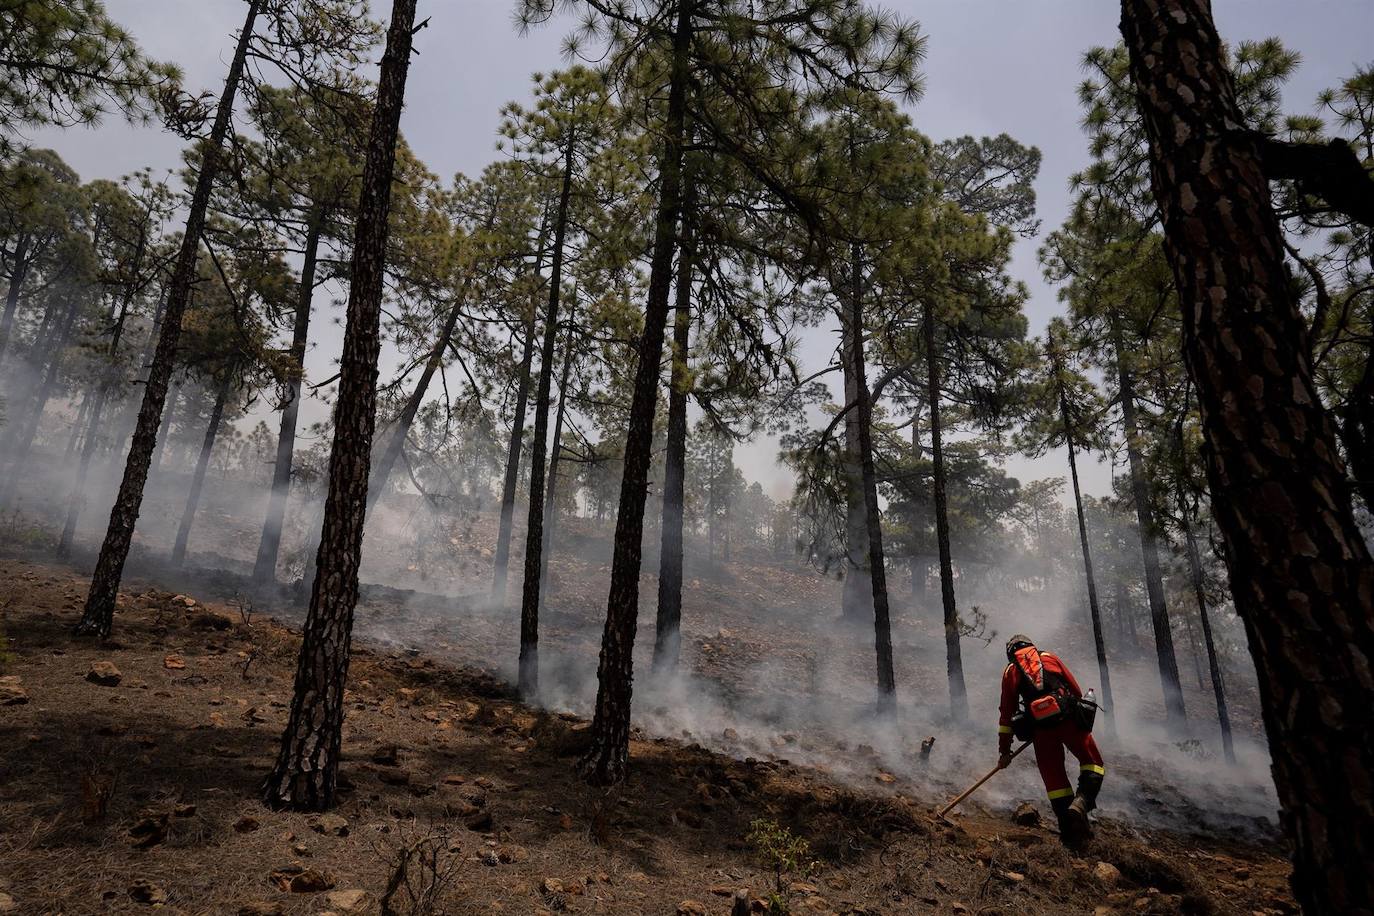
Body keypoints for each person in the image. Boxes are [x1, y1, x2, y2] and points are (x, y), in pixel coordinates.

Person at [996, 633, 1104, 844]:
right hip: (1069, 721)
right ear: (1030, 645)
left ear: (1010, 653)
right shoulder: (1048, 657)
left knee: (1056, 784)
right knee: (1093, 763)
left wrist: (1004, 750)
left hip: (1041, 731)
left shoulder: (1010, 671)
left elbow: (1006, 715)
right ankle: (1081, 803)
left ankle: (1072, 839)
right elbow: (1075, 690)